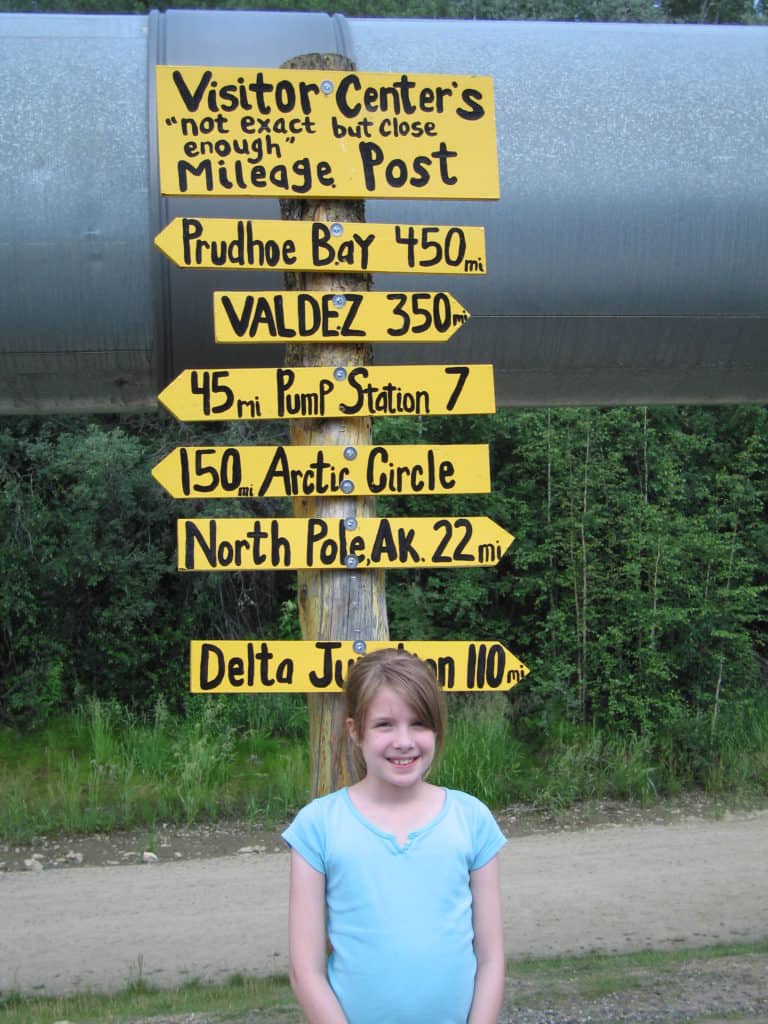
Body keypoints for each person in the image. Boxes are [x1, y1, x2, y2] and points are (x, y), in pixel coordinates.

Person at [282, 647, 506, 1024]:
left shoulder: (472, 820)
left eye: (419, 723)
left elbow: (491, 959)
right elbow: (305, 971)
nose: (404, 741)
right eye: (385, 725)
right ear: (355, 731)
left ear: (436, 729)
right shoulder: (317, 826)